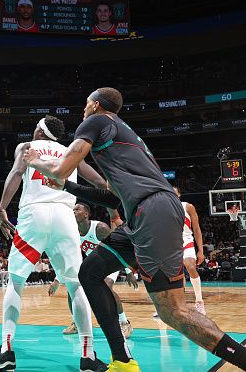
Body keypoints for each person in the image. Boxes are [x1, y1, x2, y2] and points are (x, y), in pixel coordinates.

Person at [23, 87, 246, 371]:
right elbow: (113, 197)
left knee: (173, 312)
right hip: (141, 214)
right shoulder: (119, 136)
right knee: (89, 273)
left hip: (153, 211)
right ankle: (123, 361)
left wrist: (34, 160)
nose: (83, 110)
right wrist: (66, 186)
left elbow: (63, 167)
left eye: (85, 104)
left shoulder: (96, 121)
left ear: (95, 105)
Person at [0, 116, 109, 372]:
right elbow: (100, 182)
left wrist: (1, 209)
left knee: (16, 281)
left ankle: (6, 351)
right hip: (65, 217)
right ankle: (88, 356)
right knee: (76, 286)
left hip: (34, 215)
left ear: (39, 130)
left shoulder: (27, 147)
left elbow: (17, 173)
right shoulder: (69, 152)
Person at [50, 203, 136, 339]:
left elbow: (119, 247)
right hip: (95, 263)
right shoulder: (72, 231)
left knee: (106, 287)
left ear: (86, 214)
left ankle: (124, 322)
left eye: (77, 209)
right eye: (73, 209)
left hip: (111, 261)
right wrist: (57, 279)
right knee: (72, 288)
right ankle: (76, 322)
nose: (74, 211)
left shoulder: (100, 228)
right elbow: (68, 256)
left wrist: (129, 271)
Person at [175, 187, 206, 315]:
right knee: (176, 275)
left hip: (186, 240)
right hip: (171, 244)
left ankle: (199, 301)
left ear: (179, 194)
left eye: (174, 192)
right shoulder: (163, 209)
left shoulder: (188, 207)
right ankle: (177, 305)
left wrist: (201, 251)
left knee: (190, 266)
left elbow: (197, 229)